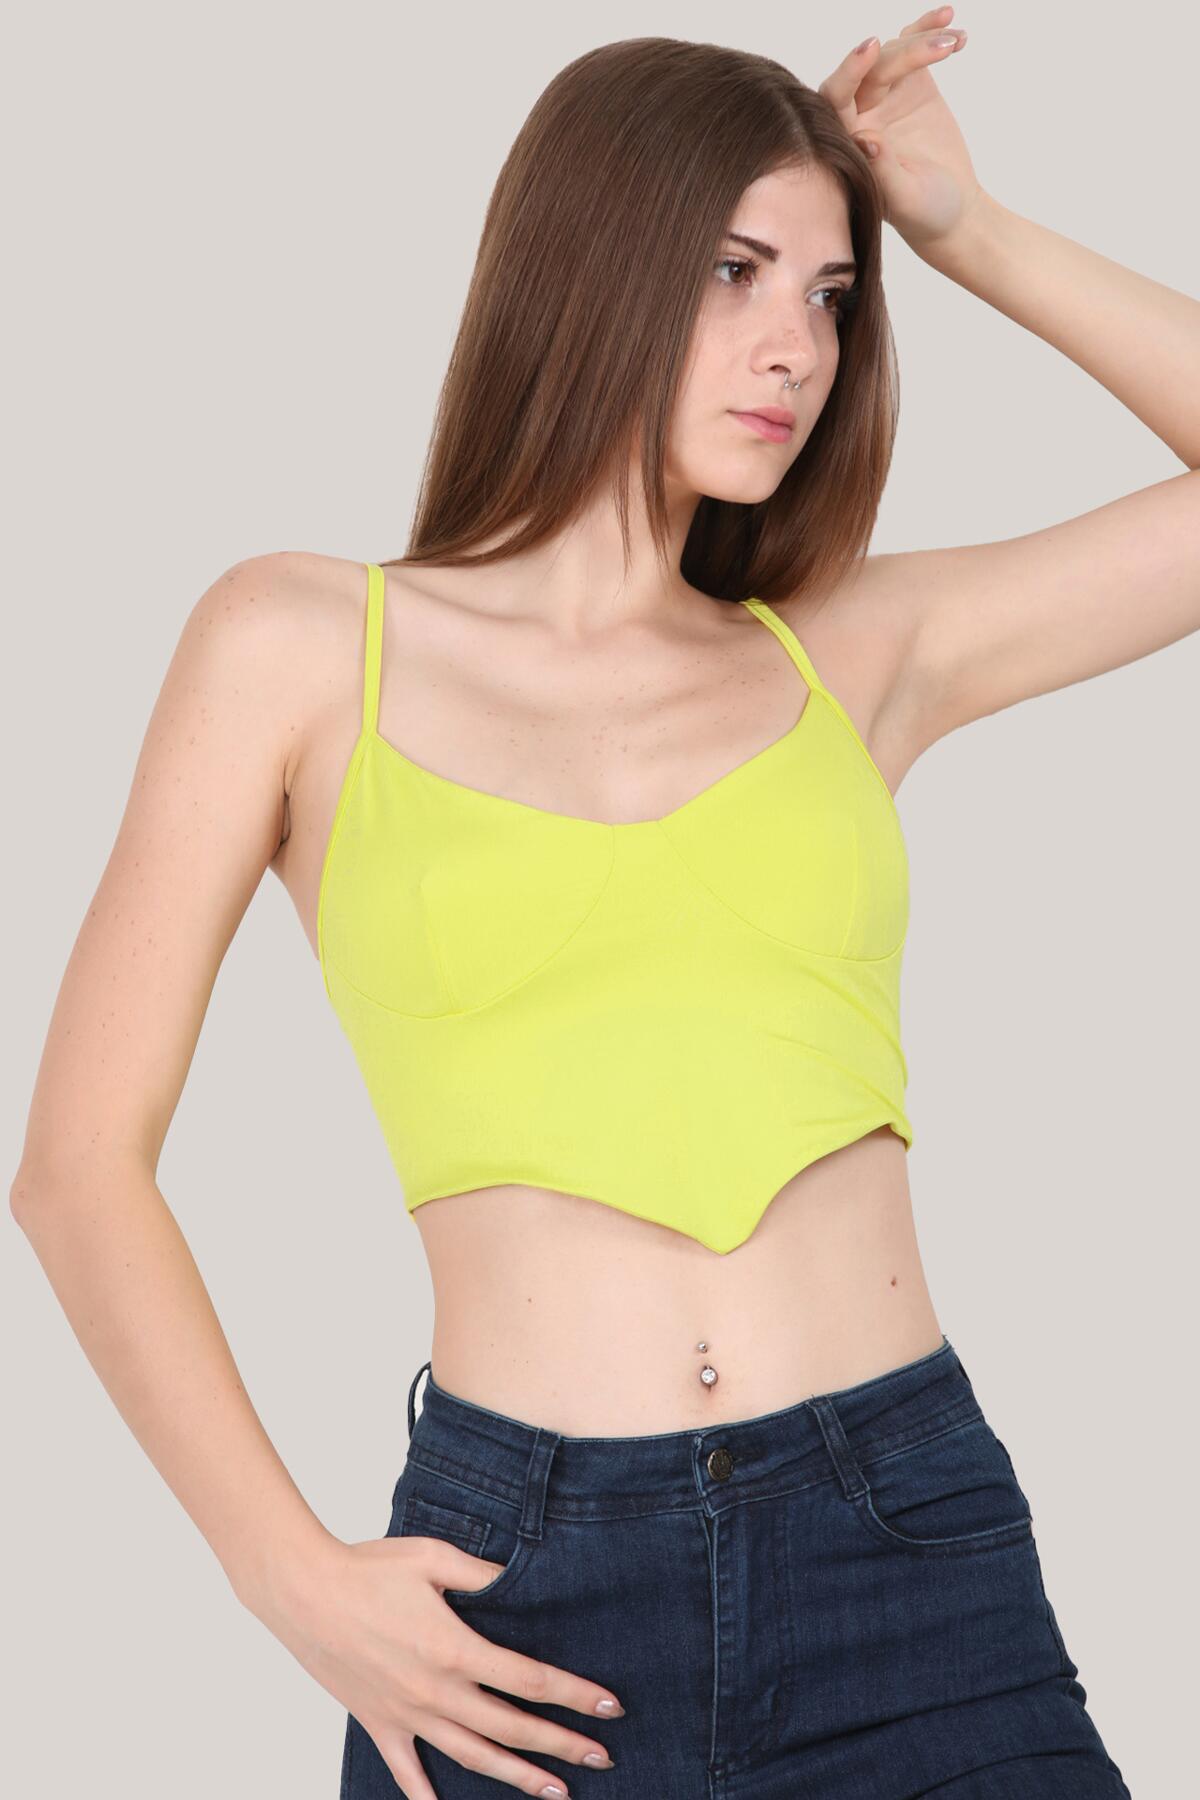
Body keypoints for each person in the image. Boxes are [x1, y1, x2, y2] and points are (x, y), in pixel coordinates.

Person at [12, 15, 1194, 1797]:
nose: (797, 345)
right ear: (590, 258)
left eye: (832, 294)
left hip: (906, 1556)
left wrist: (973, 232)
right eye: (735, 271)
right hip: (513, 1603)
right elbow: (78, 1165)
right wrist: (289, 1578)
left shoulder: (852, 649)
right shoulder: (297, 645)